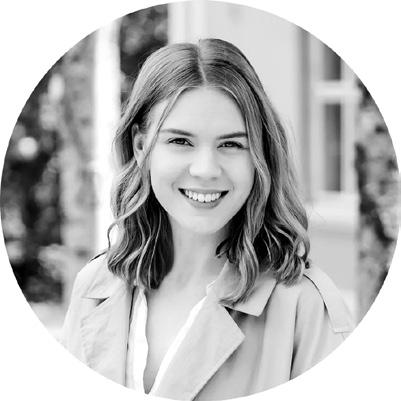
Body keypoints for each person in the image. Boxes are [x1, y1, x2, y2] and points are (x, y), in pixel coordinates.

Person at [61, 38, 353, 400]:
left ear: (259, 155)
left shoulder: (306, 307)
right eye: (180, 141)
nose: (205, 169)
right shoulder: (94, 287)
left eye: (231, 144)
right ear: (141, 146)